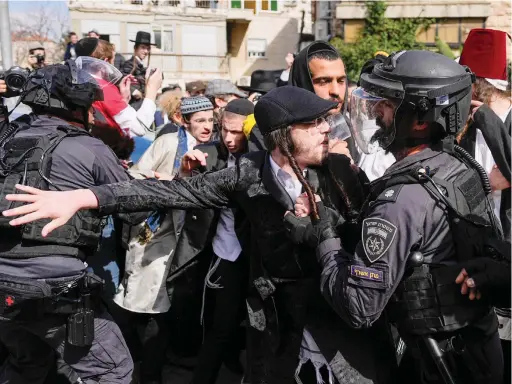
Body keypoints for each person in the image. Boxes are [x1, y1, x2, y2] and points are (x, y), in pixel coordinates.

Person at [3, 86, 391, 384]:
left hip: (331, 311)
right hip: (273, 317)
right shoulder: (246, 174)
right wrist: (84, 197)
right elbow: (167, 191)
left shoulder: (340, 170)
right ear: (284, 134)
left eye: (326, 121)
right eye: (314, 123)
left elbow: (375, 228)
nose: (327, 130)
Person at [285, 50, 505, 384]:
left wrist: (325, 237)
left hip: (434, 363)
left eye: (385, 103)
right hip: (476, 349)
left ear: (418, 119)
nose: (374, 110)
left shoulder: (401, 201)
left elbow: (358, 306)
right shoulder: (457, 166)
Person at [0, 61, 138, 383]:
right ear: (74, 107)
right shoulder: (89, 146)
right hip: (55, 290)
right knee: (113, 370)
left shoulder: (7, 140)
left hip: (4, 288)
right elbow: (134, 207)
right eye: (89, 107)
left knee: (26, 364)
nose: (93, 115)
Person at [175, 98, 254, 384]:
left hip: (255, 255)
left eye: (238, 133)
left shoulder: (265, 157)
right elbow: (179, 194)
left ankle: (234, 360)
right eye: (225, 131)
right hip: (220, 255)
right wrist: (184, 173)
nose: (230, 139)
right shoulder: (205, 153)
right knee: (218, 325)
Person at [75, 38, 161, 139]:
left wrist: (123, 100)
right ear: (104, 63)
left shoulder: (81, 82)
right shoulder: (103, 88)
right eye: (113, 60)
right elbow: (138, 129)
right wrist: (152, 91)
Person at [121, 31, 156, 108]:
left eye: (148, 49)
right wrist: (134, 91)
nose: (146, 51)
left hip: (141, 106)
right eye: (143, 48)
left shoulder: (142, 66)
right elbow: (121, 79)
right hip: (133, 106)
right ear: (135, 48)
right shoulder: (128, 64)